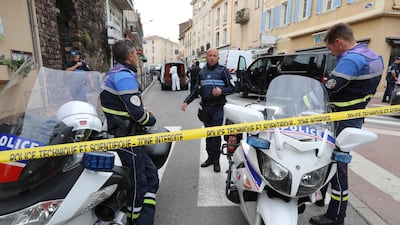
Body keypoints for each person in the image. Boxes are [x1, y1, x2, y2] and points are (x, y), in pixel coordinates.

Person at [310, 23, 383, 225]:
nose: (332, 54)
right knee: (328, 158)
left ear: (339, 42)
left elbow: (327, 90)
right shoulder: (372, 55)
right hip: (353, 117)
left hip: (342, 119)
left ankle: (336, 215)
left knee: (337, 165)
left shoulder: (351, 60)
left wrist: (300, 103)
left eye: (331, 49)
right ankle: (319, 195)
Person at [99, 39, 159, 225]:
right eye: (136, 55)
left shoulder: (115, 73)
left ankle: (145, 216)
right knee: (138, 182)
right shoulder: (124, 76)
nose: (137, 59)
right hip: (127, 139)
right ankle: (136, 219)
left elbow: (126, 106)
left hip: (128, 136)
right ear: (131, 55)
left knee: (150, 176)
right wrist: (151, 119)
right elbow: (136, 112)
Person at [181, 48, 235, 173]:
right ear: (206, 57)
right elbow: (196, 90)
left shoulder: (223, 71)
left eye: (214, 56)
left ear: (218, 58)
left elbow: (233, 88)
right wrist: (186, 101)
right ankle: (210, 158)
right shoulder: (202, 72)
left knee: (215, 135)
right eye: (210, 55)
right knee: (208, 135)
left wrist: (222, 91)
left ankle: (216, 161)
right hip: (206, 108)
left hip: (218, 108)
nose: (212, 58)